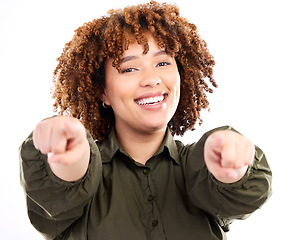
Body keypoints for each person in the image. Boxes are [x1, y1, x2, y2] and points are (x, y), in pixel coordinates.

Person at [19, 1, 272, 239]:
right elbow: (58, 191)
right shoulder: (86, 173)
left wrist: (234, 169)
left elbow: (240, 195)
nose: (152, 79)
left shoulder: (199, 169)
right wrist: (66, 160)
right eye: (129, 68)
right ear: (102, 91)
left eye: (163, 62)